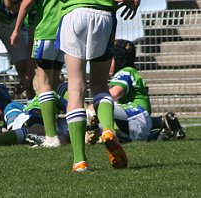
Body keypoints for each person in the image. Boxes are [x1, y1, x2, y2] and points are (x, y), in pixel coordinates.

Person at [56, 0, 140, 172]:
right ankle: (108, 130)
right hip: (104, 15)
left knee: (75, 88)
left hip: (75, 12)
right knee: (100, 84)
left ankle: (80, 161)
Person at [85, 39, 186, 143]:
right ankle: (159, 129)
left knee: (100, 106)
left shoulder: (124, 72)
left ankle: (103, 133)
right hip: (139, 122)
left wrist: (94, 104)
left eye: (109, 59)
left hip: (136, 118)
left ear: (119, 59)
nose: (106, 63)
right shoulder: (132, 72)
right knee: (100, 115)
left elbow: (115, 93)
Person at [10, 0, 64, 148]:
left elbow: (27, 2)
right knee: (55, 82)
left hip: (47, 30)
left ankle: (51, 137)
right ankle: (85, 110)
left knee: (44, 84)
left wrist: (16, 29)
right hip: (65, 32)